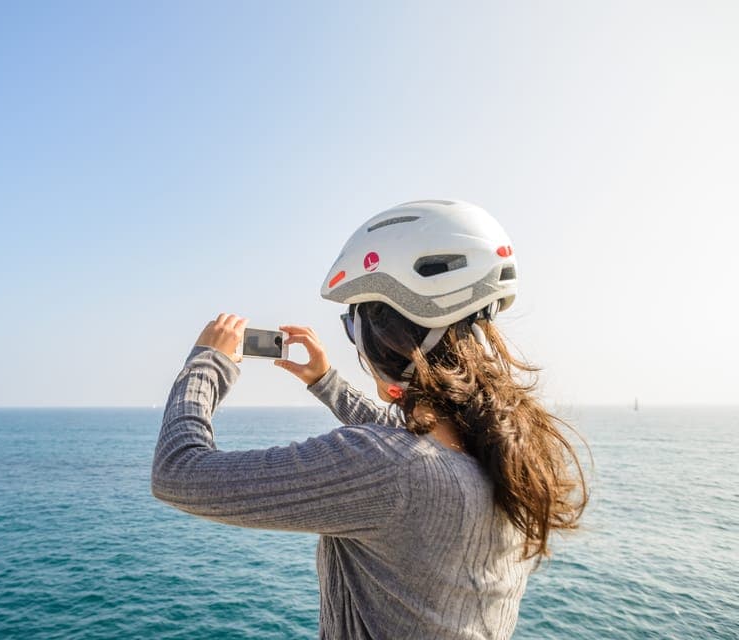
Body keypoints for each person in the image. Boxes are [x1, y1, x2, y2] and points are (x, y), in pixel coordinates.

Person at [151, 200, 588, 639]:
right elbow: (409, 441)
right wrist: (325, 381)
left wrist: (208, 363)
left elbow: (177, 472)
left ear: (384, 337)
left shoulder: (390, 469)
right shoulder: (508, 448)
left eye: (352, 326)